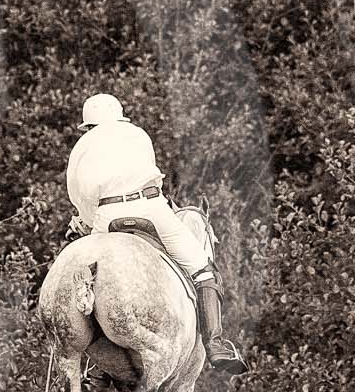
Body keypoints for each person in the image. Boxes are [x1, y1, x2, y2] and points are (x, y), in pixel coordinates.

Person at [64, 93, 247, 375]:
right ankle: (216, 345)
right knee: (203, 268)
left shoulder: (82, 147)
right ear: (120, 117)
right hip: (151, 208)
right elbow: (154, 176)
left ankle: (93, 358)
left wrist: (88, 223)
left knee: (88, 278)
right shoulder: (138, 135)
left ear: (88, 126)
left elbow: (79, 195)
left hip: (107, 215)